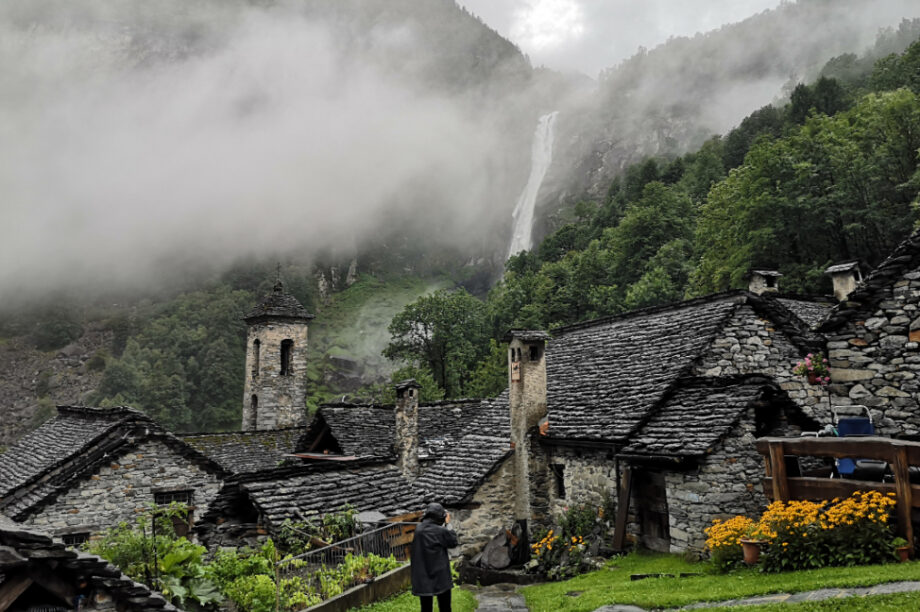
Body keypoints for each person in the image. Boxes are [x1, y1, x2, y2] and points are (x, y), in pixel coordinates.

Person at [410, 502, 458, 612]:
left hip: (423, 575)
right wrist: (447, 524)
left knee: (426, 608)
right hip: (440, 575)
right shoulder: (440, 531)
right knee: (445, 607)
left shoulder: (419, 530)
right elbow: (453, 541)